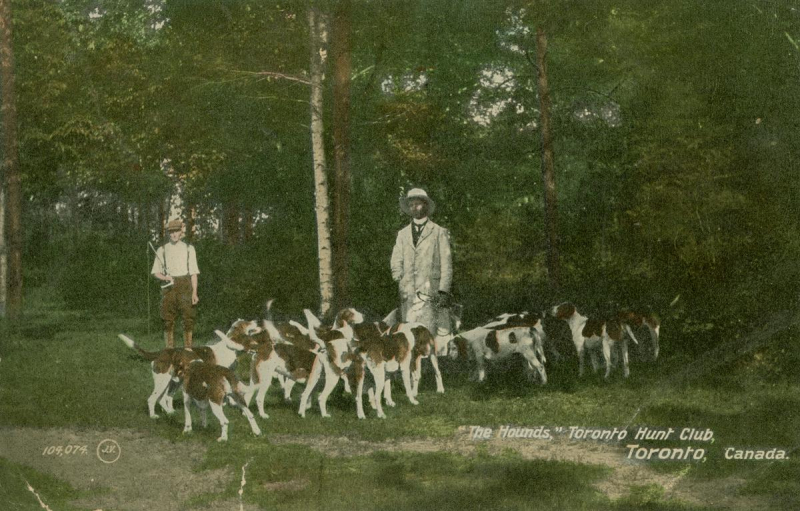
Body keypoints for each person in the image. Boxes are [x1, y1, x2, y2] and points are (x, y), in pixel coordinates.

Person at [391, 188, 454, 355]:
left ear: (425, 206)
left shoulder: (439, 232)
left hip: (430, 291)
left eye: (417, 204)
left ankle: (432, 364)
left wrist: (443, 290)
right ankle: (413, 366)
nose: (414, 208)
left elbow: (446, 264)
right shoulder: (403, 234)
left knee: (429, 330)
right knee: (410, 331)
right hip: (408, 292)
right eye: (411, 205)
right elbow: (396, 258)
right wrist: (399, 277)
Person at [151, 218, 200, 348]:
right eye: (171, 232)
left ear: (181, 232)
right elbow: (156, 272)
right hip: (169, 288)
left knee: (188, 318)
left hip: (185, 285)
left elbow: (194, 273)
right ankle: (169, 350)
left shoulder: (189, 249)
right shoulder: (162, 250)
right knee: (167, 320)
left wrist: (194, 293)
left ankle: (188, 350)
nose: (174, 235)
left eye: (176, 231)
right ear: (168, 233)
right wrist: (166, 278)